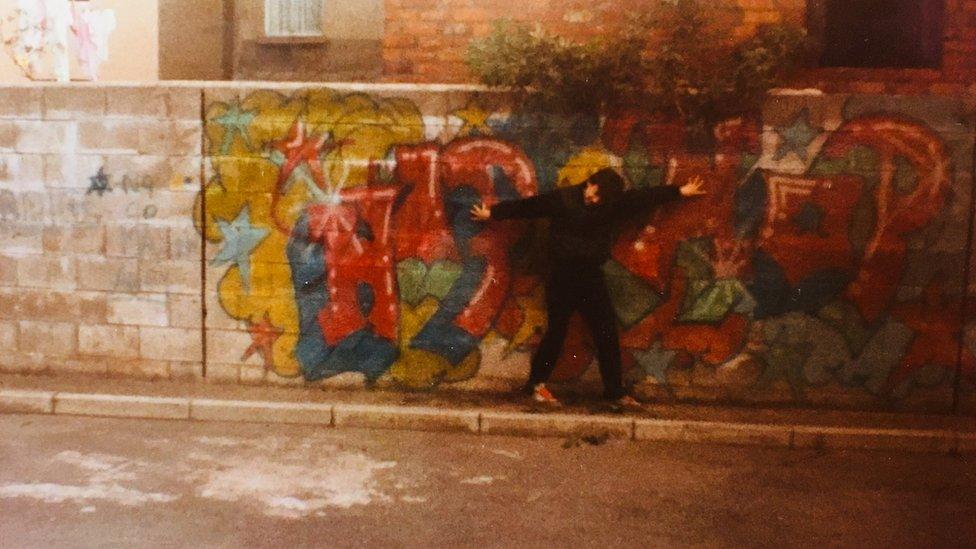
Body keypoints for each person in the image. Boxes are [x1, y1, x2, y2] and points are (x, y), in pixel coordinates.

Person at [470, 167, 705, 408]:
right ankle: (535, 385)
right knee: (557, 332)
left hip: (591, 277)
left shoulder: (611, 204)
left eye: (600, 200)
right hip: (562, 276)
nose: (594, 201)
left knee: (606, 333)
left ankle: (614, 392)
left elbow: (642, 198)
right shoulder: (564, 199)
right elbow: (530, 207)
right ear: (590, 182)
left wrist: (679, 191)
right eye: (594, 194)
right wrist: (492, 213)